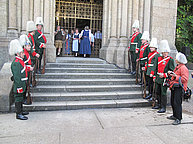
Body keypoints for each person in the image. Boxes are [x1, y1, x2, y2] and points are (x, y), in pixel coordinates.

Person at [152, 40, 175, 113]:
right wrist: (154, 76)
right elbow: (156, 68)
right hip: (158, 77)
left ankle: (163, 107)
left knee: (163, 93)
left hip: (165, 79)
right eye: (164, 52)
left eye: (166, 52)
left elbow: (172, 71)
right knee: (157, 91)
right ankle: (158, 104)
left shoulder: (170, 60)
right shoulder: (159, 58)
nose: (165, 54)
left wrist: (164, 75)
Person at [9, 39, 29, 120]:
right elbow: (17, 77)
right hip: (19, 84)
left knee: (21, 98)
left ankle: (21, 110)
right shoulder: (16, 62)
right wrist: (19, 87)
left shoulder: (20, 61)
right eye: (22, 53)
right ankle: (18, 114)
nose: (23, 54)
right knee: (18, 98)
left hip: (22, 83)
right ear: (18, 54)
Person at [168, 52, 189, 125]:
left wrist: (175, 76)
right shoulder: (178, 67)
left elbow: (185, 79)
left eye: (176, 58)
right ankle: (175, 115)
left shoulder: (183, 68)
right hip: (175, 87)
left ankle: (178, 118)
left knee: (177, 103)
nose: (175, 59)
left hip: (179, 87)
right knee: (173, 102)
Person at [19, 35, 34, 104]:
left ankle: (24, 98)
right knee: (24, 86)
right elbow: (22, 65)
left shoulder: (27, 53)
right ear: (25, 46)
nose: (29, 47)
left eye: (30, 46)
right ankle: (23, 99)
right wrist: (29, 68)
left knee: (26, 86)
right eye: (28, 46)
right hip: (25, 72)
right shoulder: (24, 54)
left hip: (28, 71)